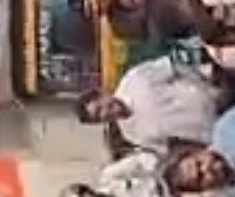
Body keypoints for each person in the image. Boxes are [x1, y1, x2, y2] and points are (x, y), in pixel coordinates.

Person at [76, 55, 218, 149]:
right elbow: (173, 144)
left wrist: (207, 86)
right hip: (214, 131)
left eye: (99, 107)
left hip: (217, 96)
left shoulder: (134, 79)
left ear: (102, 94)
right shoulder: (132, 136)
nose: (104, 113)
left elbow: (174, 67)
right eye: (99, 117)